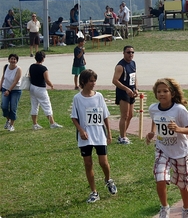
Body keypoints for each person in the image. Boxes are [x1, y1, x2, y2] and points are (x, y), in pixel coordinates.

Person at [146, 78, 188, 218]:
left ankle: (186, 209)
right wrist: (151, 133)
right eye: (159, 91)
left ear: (172, 93)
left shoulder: (179, 110)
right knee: (159, 178)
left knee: (182, 184)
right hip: (162, 149)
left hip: (180, 151)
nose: (162, 94)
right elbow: (155, 121)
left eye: (165, 91)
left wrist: (178, 129)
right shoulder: (153, 108)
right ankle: (164, 208)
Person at [71, 69, 117, 203]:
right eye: (91, 81)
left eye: (94, 80)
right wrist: (80, 130)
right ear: (83, 82)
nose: (93, 83)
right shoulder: (77, 98)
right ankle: (94, 192)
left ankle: (108, 180)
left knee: (103, 162)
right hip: (85, 137)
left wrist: (109, 133)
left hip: (99, 134)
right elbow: (74, 117)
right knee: (88, 163)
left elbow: (105, 115)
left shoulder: (99, 96)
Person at [29, 51, 63, 130]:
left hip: (32, 87)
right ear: (43, 59)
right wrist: (51, 85)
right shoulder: (43, 68)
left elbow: (30, 76)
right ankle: (52, 123)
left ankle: (35, 124)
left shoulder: (32, 66)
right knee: (46, 105)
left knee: (34, 106)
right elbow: (47, 80)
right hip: (40, 88)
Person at [112, 46, 138, 144]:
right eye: (128, 52)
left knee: (130, 115)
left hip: (131, 91)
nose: (130, 54)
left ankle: (122, 134)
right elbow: (115, 80)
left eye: (132, 52)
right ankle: (123, 137)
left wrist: (136, 88)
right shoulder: (120, 66)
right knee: (125, 115)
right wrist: (126, 89)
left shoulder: (133, 63)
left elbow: (134, 76)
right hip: (123, 92)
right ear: (123, 53)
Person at [1, 54, 22, 132]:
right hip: (5, 88)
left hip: (15, 90)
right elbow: (3, 77)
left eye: (15, 59)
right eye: (11, 59)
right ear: (9, 60)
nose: (13, 60)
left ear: (17, 61)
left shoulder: (18, 69)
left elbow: (15, 81)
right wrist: (1, 86)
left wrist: (9, 90)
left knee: (13, 107)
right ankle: (8, 120)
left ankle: (11, 125)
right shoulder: (6, 67)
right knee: (4, 106)